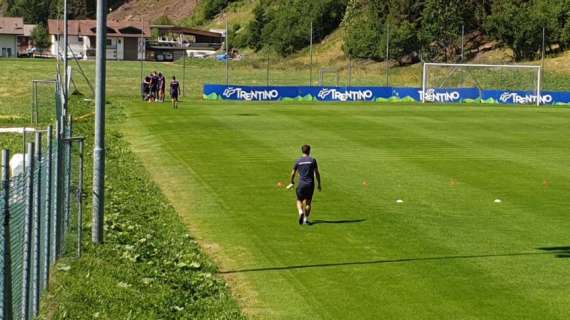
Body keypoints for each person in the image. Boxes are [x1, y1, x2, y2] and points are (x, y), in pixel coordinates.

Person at [289, 144, 321, 225]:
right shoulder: (312, 160)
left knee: (299, 200)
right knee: (308, 203)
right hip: (310, 184)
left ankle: (300, 212)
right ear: (309, 151)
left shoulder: (298, 161)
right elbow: (317, 172)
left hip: (301, 184)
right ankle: (306, 219)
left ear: (302, 151)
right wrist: (319, 184)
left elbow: (293, 172)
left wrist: (292, 181)